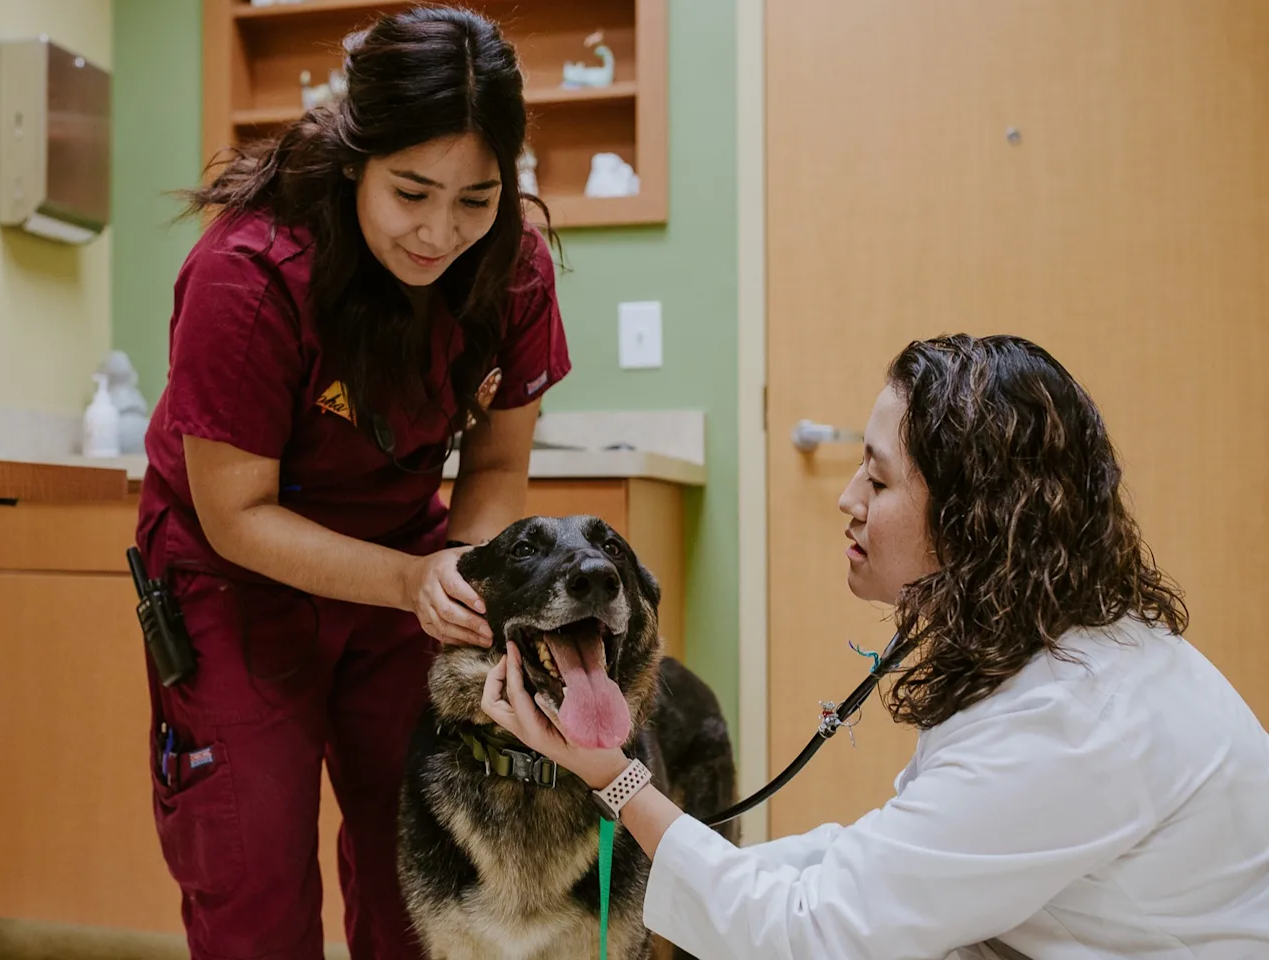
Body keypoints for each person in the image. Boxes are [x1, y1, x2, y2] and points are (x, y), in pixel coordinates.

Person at [484, 334, 1269, 959]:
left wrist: (616, 782)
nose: (846, 499)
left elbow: (810, 937)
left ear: (976, 520)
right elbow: (891, 855)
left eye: (880, 479)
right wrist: (710, 853)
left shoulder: (1070, 723)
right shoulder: (1056, 651)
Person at [133, 8, 570, 959]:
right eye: (411, 191)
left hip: (405, 575)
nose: (439, 231)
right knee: (252, 888)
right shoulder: (248, 273)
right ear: (353, 158)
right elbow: (236, 513)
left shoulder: (513, 268)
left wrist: (453, 572)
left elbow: (496, 465)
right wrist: (408, 580)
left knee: (418, 868)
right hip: (231, 582)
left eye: (475, 197)